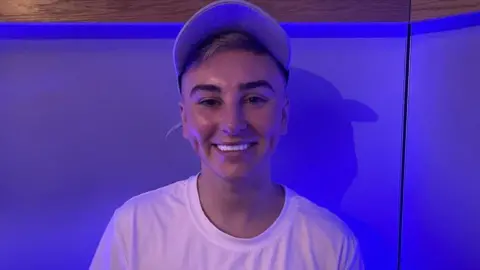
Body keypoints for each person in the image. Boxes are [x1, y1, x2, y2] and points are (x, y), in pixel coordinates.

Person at [90, 0, 364, 269]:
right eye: (210, 101)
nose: (232, 124)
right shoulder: (135, 228)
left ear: (283, 115)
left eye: (254, 99)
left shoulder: (330, 245)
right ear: (185, 118)